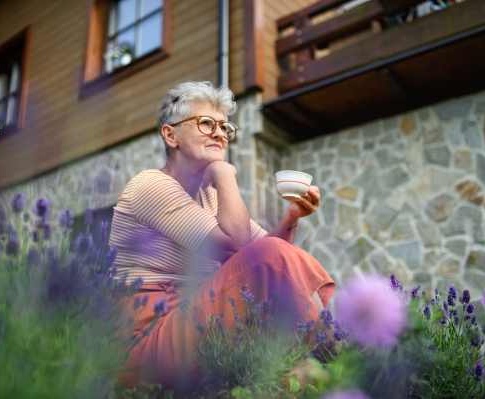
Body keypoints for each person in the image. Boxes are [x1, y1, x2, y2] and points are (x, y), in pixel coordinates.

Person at [109, 81, 335, 389]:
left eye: (224, 126)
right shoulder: (149, 185)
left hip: (194, 321)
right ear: (170, 135)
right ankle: (336, 351)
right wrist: (224, 172)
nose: (219, 133)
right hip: (146, 344)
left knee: (273, 258)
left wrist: (292, 217)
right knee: (268, 259)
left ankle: (330, 352)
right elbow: (241, 249)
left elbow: (267, 257)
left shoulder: (211, 199)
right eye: (206, 123)